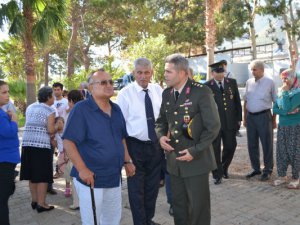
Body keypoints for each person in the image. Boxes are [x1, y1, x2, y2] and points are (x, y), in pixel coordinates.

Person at [63, 69, 135, 225]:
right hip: (91, 179)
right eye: (103, 82)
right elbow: (68, 141)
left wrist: (127, 161)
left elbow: (121, 138)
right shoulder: (81, 109)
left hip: (114, 177)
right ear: (91, 88)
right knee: (93, 221)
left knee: (112, 220)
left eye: (111, 82)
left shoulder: (116, 109)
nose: (109, 85)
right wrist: (82, 169)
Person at [156, 54, 220, 225]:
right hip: (174, 162)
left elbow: (213, 126)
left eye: (169, 72)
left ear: (183, 73)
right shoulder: (167, 94)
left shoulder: (201, 91)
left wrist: (195, 150)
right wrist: (161, 136)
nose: (165, 75)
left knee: (198, 208)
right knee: (179, 207)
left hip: (196, 161)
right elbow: (161, 121)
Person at [117, 58, 163, 225]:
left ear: (151, 73)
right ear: (133, 73)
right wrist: (126, 159)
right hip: (135, 147)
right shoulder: (125, 94)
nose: (143, 76)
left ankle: (148, 220)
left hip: (156, 147)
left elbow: (163, 119)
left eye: (147, 72)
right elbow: (120, 129)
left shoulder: (158, 90)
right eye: (139, 73)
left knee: (152, 189)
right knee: (137, 190)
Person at [20, 86, 56, 213]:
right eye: (53, 95)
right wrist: (58, 126)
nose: (54, 98)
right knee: (42, 176)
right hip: (41, 145)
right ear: (48, 97)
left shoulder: (31, 107)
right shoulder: (49, 110)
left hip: (27, 144)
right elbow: (50, 130)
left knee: (32, 174)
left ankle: (34, 201)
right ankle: (42, 204)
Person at [205, 61, 242, 184]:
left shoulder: (232, 83)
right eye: (218, 72)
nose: (221, 75)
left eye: (222, 72)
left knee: (231, 147)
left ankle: (224, 167)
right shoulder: (207, 86)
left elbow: (237, 102)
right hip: (214, 124)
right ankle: (217, 174)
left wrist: (239, 119)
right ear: (212, 73)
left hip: (230, 123)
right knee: (215, 150)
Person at [243, 60, 277, 181]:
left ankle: (267, 170)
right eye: (251, 69)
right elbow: (246, 101)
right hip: (250, 117)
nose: (252, 72)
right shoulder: (248, 82)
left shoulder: (270, 82)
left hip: (264, 116)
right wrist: (244, 118)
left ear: (262, 70)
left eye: (255, 69)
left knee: (267, 144)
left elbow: (275, 103)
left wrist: (273, 120)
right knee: (252, 144)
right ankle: (256, 168)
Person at [273, 69, 300, 189]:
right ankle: (282, 176)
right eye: (282, 78)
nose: (284, 80)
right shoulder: (281, 91)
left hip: (295, 126)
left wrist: (285, 93)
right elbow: (275, 109)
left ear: (294, 78)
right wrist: (286, 112)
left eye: (286, 78)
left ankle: (296, 177)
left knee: (294, 151)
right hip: (282, 126)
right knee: (281, 151)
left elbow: (288, 107)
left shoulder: (298, 93)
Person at [0, 80, 20, 225]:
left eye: (8, 91)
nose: (8, 95)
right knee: (2, 199)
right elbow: (9, 133)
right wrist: (13, 120)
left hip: (5, 159)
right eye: (4, 92)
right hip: (5, 160)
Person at [63, 89, 84, 210]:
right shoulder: (87, 110)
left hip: (75, 151)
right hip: (86, 150)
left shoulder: (72, 113)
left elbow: (68, 136)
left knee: (75, 177)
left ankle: (77, 202)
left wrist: (67, 153)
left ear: (71, 101)